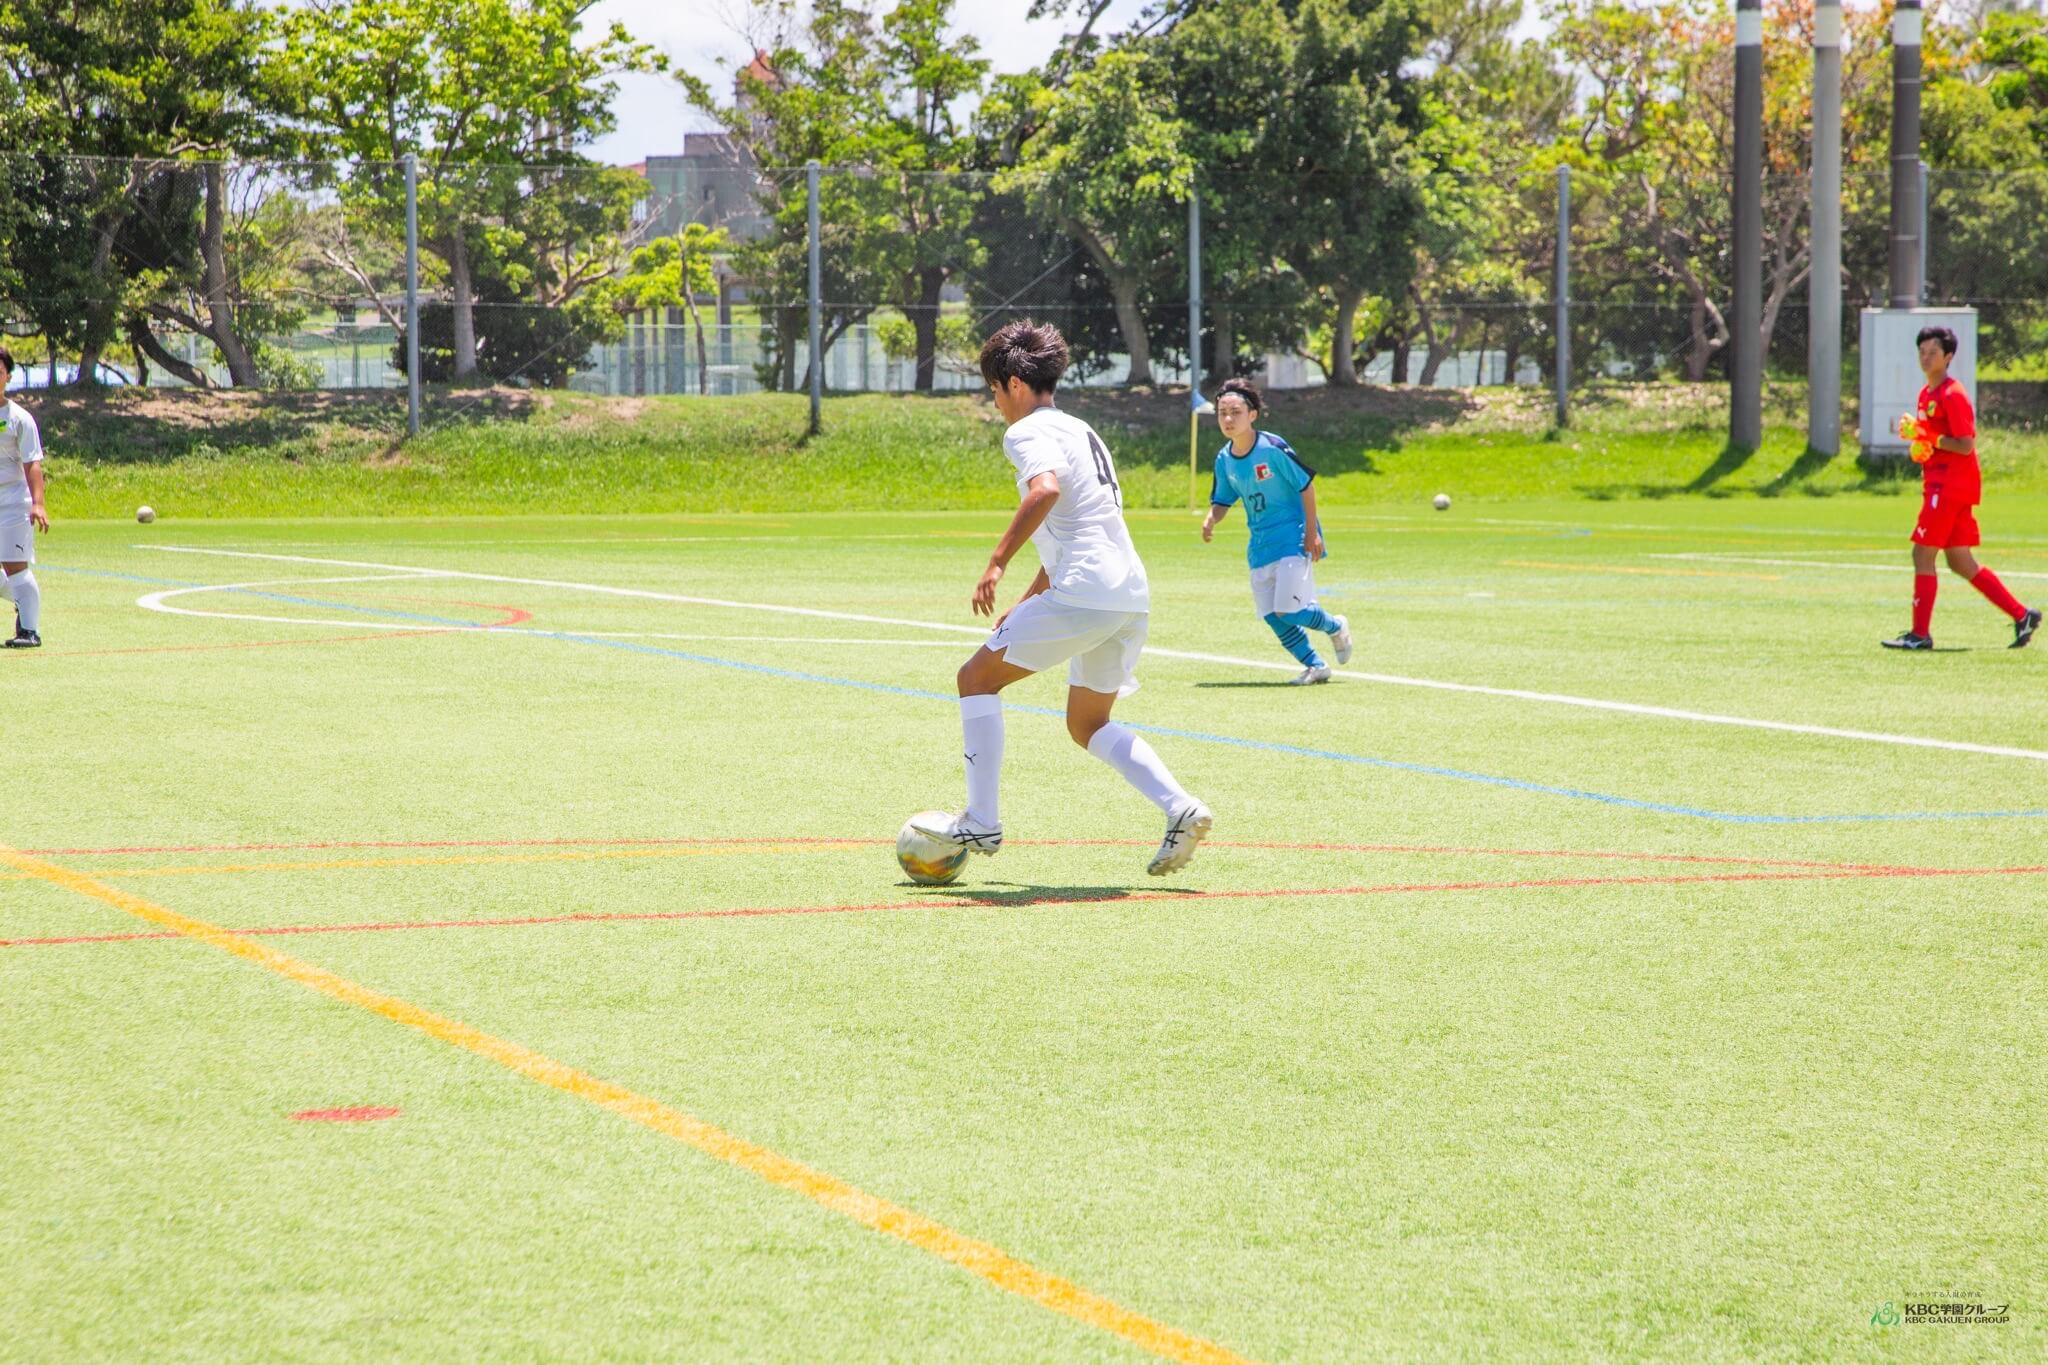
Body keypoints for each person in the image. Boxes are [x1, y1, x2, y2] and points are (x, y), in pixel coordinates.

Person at [913, 320, 1212, 876]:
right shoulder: (1081, 429)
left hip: (1084, 591)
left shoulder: (1025, 432)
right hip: (1128, 594)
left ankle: (981, 820)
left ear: (1013, 384)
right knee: (1088, 723)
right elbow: (1077, 528)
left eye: (994, 390)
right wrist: (1028, 598)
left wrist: (997, 561)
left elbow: (1046, 492)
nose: (996, 403)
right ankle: (1180, 807)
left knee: (975, 679)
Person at [1883, 326, 2039, 651]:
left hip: (1950, 486)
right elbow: (1936, 440)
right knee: (1960, 561)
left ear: (1948, 357)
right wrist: (1921, 446)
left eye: (1933, 352)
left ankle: (1920, 635)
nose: (1926, 358)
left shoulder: (1952, 394)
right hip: (1942, 482)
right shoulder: (1926, 394)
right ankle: (2022, 614)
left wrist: (1929, 438)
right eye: (1922, 352)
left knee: (1922, 553)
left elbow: (1965, 444)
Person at [1200, 377, 1351, 683]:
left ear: (1252, 414)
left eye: (1235, 412)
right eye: (1222, 413)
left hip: (1293, 537)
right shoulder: (1224, 459)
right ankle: (1316, 666)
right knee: (1272, 615)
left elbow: (1306, 486)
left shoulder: (1272, 448)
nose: (1228, 419)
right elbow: (1223, 500)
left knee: (1291, 611)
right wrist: (1212, 518)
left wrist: (1312, 533)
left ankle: (1336, 626)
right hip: (1260, 545)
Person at [0, 348, 47, 649]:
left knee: (15, 566)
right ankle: (21, 600)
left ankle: (30, 631)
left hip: (14, 502)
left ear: (7, 377)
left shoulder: (19, 418)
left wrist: (38, 504)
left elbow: (33, 464)